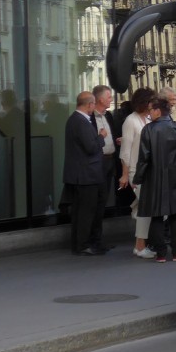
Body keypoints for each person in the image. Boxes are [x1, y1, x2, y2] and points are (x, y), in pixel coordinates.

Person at [134, 96, 176, 263]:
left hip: (153, 177)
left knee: (156, 215)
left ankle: (161, 254)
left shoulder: (148, 130)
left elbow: (144, 157)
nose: (149, 113)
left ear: (157, 110)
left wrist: (138, 177)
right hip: (174, 176)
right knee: (174, 215)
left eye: (151, 110)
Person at [64, 91, 106, 256]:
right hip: (86, 175)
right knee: (86, 213)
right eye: (93, 104)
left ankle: (81, 243)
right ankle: (83, 244)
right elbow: (91, 147)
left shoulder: (75, 120)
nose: (94, 107)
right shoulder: (80, 122)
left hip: (82, 174)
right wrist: (101, 137)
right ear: (89, 104)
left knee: (82, 212)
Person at [118, 87, 155, 258]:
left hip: (146, 170)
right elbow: (125, 150)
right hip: (135, 170)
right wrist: (125, 174)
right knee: (146, 207)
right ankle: (140, 246)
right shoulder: (130, 121)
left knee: (144, 207)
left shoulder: (147, 119)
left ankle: (141, 245)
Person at [91, 85, 119, 248]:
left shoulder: (108, 115)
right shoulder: (90, 117)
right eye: (109, 97)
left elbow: (111, 134)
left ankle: (98, 238)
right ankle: (95, 239)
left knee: (103, 200)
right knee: (97, 201)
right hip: (98, 162)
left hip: (109, 161)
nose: (111, 99)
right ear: (100, 99)